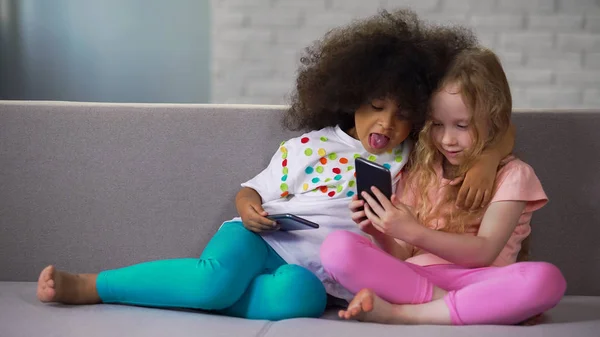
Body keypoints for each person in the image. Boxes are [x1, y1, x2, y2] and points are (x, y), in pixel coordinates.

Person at [36, 9, 500, 321]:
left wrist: (488, 162)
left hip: (321, 273)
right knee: (213, 280)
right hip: (260, 237)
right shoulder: (310, 145)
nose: (387, 122)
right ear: (350, 97)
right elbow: (250, 191)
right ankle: (95, 285)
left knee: (299, 298)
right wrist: (249, 208)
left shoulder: (414, 154)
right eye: (376, 106)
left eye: (403, 114)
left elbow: (493, 124)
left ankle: (221, 295)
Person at [320, 47, 567, 325]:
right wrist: (378, 229)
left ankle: (403, 314)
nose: (448, 139)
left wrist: (415, 232)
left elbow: (484, 252)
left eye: (462, 126)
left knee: (547, 280)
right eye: (437, 124)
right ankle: (461, 307)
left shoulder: (513, 175)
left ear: (494, 121)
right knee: (337, 248)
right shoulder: (420, 168)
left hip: (481, 281)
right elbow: (401, 253)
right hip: (417, 278)